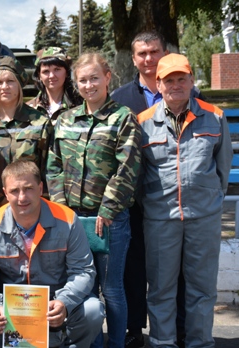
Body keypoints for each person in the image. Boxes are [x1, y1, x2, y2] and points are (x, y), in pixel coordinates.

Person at [110, 31, 204, 348]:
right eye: (141, 54)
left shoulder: (189, 93)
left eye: (154, 52)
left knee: (175, 272)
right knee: (134, 268)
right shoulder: (121, 98)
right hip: (134, 201)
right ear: (133, 58)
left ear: (164, 52)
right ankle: (136, 329)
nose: (148, 59)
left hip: (172, 203)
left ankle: (176, 330)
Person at [46, 52, 142, 348]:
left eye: (94, 78)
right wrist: (62, 210)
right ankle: (91, 343)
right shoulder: (65, 120)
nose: (89, 85)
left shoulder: (122, 118)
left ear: (108, 77)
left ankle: (115, 343)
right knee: (82, 289)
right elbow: (54, 165)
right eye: (83, 80)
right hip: (72, 219)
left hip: (108, 219)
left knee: (112, 289)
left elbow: (127, 168)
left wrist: (108, 209)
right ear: (75, 84)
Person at [137, 53, 232, 348]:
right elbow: (137, 175)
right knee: (161, 289)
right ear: (159, 84)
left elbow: (223, 167)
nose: (176, 85)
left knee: (202, 289)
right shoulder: (143, 122)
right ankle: (162, 343)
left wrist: (210, 201)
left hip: (204, 218)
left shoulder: (214, 116)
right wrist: (152, 205)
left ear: (192, 80)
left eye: (182, 79)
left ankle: (199, 343)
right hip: (160, 219)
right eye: (169, 80)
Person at [0, 160, 104, 348]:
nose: (22, 197)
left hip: (54, 308)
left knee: (93, 310)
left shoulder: (67, 220)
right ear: (5, 193)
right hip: (10, 313)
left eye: (29, 188)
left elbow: (83, 271)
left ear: (41, 188)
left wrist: (63, 303)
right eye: (15, 191)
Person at [0, 56, 52, 207]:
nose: (4, 87)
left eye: (10, 81)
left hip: (30, 207)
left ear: (19, 84)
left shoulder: (39, 123)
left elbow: (49, 172)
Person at [27, 46, 82, 125]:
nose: (52, 76)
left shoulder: (81, 105)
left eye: (57, 69)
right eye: (46, 71)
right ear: (39, 76)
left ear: (66, 72)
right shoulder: (28, 109)